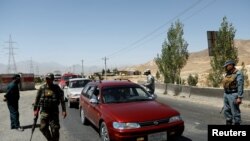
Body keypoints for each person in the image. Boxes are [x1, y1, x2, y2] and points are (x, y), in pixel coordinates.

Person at [33, 73, 67, 141]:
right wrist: (35, 110)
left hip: (53, 111)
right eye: (46, 79)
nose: (47, 80)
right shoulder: (42, 88)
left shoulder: (56, 88)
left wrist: (64, 110)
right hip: (44, 111)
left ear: (52, 79)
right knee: (43, 128)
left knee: (55, 129)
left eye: (49, 79)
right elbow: (37, 99)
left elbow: (62, 99)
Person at [222, 60, 244, 125]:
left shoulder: (238, 73)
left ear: (231, 65)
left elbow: (240, 85)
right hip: (226, 94)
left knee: (235, 112)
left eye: (227, 66)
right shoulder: (228, 73)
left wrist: (239, 97)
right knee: (226, 111)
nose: (226, 67)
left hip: (233, 94)